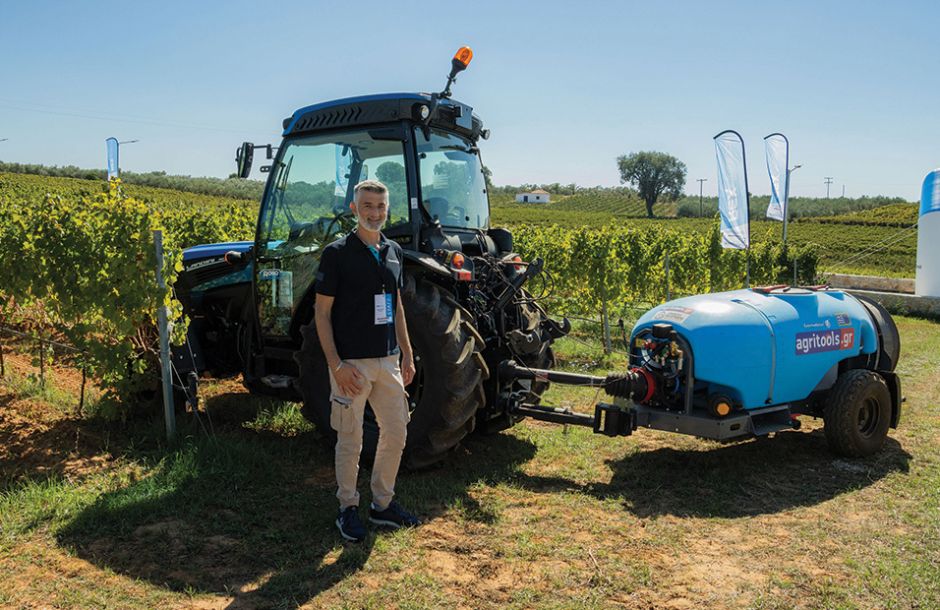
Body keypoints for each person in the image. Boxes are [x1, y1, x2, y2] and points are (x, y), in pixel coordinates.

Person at [314, 179, 420, 543]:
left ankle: (382, 504)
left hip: (388, 360)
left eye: (380, 206)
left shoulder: (393, 252)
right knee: (350, 438)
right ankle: (347, 507)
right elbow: (322, 314)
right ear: (354, 209)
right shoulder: (337, 253)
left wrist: (406, 352)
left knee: (397, 432)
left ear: (387, 209)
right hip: (352, 365)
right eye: (367, 206)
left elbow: (397, 306)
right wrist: (336, 366)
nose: (374, 212)